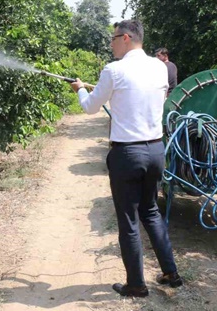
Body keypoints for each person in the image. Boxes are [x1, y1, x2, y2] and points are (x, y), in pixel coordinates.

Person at [71, 20, 182, 298]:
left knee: (129, 220)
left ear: (126, 38)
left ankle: (136, 284)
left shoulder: (114, 70)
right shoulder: (160, 67)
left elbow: (90, 107)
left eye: (113, 38)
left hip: (127, 154)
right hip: (156, 151)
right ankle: (171, 273)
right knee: (151, 211)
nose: (110, 44)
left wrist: (81, 89)